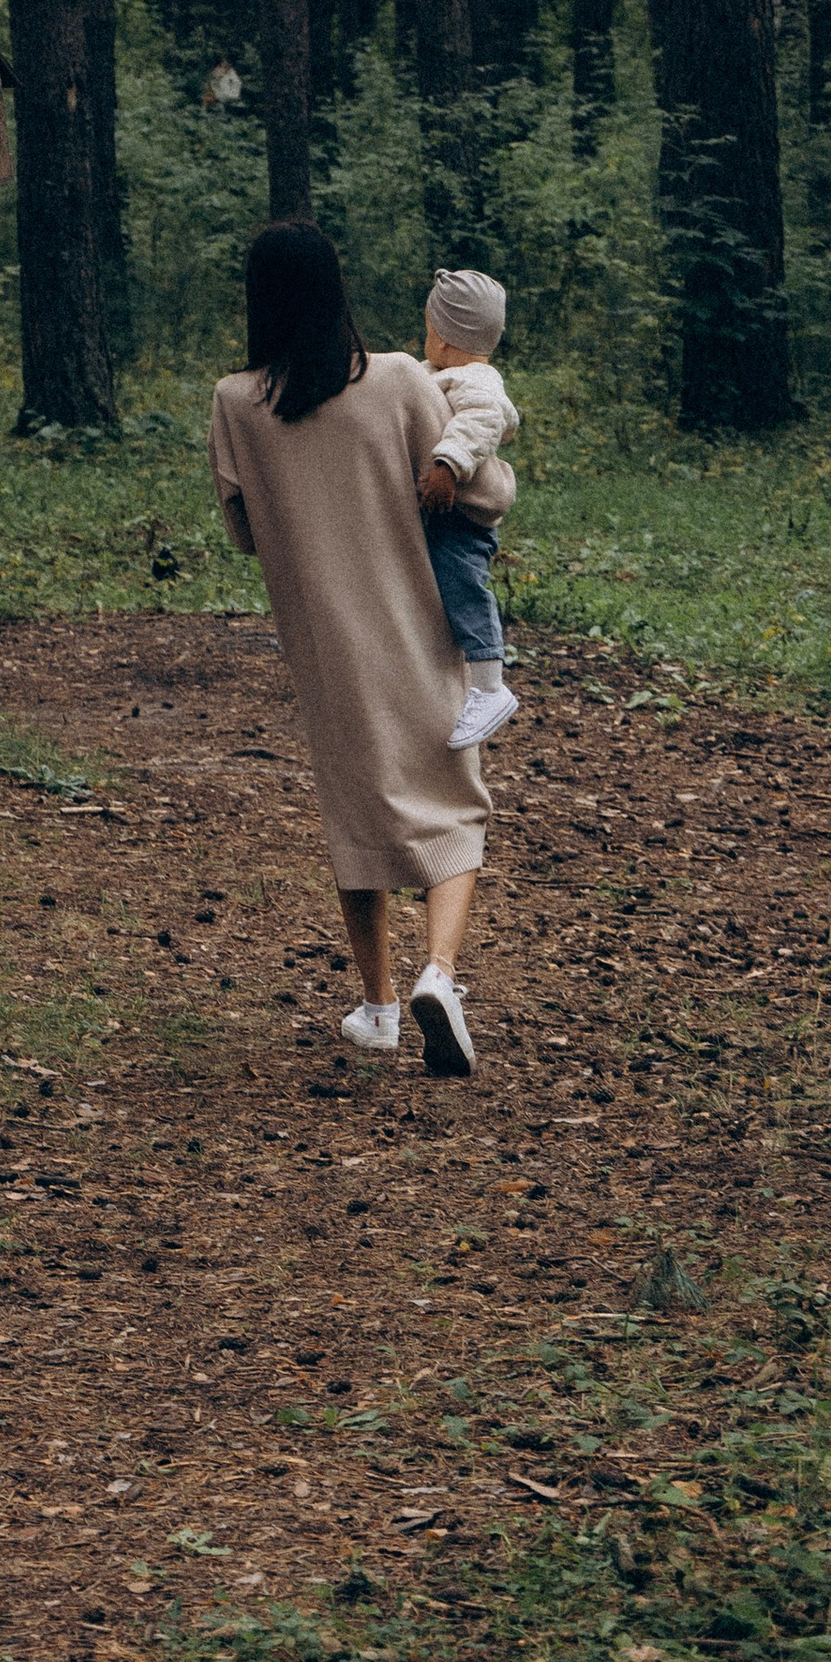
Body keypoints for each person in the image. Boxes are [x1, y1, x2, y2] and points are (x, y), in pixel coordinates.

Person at [209, 221, 489, 1077]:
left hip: (326, 648)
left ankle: (376, 1007)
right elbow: (467, 484)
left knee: (356, 812)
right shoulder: (403, 379)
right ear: (337, 291)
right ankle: (438, 975)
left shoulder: (235, 403)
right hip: (420, 629)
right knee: (455, 803)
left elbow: (245, 534)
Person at [416, 267, 519, 758]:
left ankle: (489, 686)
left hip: (462, 522)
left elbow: (482, 421)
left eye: (428, 329)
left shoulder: (476, 379)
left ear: (444, 334)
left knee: (464, 588)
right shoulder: (445, 373)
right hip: (449, 521)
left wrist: (448, 465)